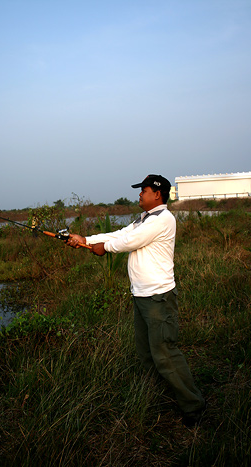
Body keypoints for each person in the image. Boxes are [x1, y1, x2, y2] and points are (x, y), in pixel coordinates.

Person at [67, 174, 206, 427]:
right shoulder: (144, 218)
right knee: (146, 353)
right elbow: (121, 233)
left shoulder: (163, 219)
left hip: (158, 297)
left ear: (157, 194)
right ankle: (160, 396)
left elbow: (130, 241)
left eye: (143, 190)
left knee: (165, 354)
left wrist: (104, 248)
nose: (140, 194)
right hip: (141, 296)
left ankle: (193, 407)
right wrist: (86, 240)